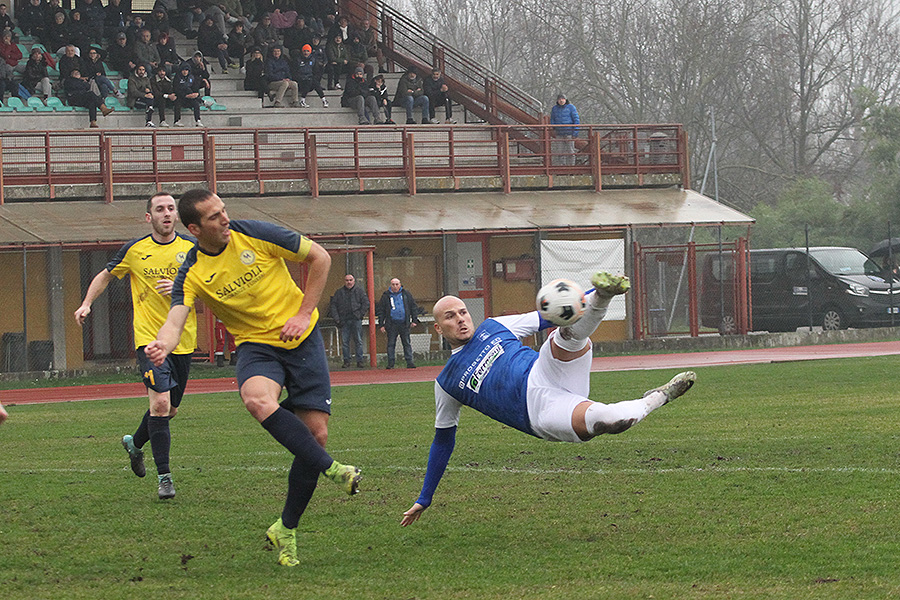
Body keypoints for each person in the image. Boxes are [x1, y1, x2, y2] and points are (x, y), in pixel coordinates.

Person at [144, 188, 362, 567]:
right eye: (214, 217)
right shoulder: (192, 271)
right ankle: (332, 468)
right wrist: (162, 345)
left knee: (316, 436)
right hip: (257, 347)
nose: (225, 218)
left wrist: (302, 312)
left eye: (224, 210)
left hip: (303, 338)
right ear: (195, 228)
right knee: (257, 399)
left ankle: (285, 529)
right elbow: (175, 318)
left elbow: (320, 258)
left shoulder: (256, 233)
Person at [400, 273, 697, 526]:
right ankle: (659, 396)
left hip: (545, 369)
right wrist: (424, 497)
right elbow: (443, 440)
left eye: (463, 312)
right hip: (539, 412)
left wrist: (595, 293)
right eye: (450, 317)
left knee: (565, 334)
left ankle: (605, 297)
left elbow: (550, 315)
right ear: (438, 328)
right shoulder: (447, 382)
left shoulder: (494, 327)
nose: (460, 320)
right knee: (611, 421)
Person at [74, 193, 198, 500]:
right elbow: (104, 276)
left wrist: (185, 287)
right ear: (149, 217)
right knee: (159, 405)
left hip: (183, 342)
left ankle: (134, 443)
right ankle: (165, 478)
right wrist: (87, 303)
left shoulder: (193, 250)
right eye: (160, 209)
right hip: (149, 340)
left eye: (171, 208)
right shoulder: (135, 250)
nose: (167, 213)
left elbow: (212, 288)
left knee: (170, 410)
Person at [377, 277, 421, 369]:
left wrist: (414, 320)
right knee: (391, 344)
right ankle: (391, 363)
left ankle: (409, 362)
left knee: (406, 343)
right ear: (390, 285)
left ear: (400, 285)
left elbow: (413, 307)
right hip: (391, 324)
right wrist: (381, 324)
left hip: (404, 323)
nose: (395, 286)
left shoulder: (406, 294)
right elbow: (381, 311)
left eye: (397, 284)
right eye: (393, 284)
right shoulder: (386, 296)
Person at [328, 273, 369, 368]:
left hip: (356, 319)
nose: (349, 282)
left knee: (358, 340)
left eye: (350, 280)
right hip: (344, 320)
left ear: (354, 281)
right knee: (345, 342)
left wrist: (360, 315)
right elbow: (333, 306)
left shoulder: (359, 291)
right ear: (344, 281)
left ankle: (360, 361)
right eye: (347, 280)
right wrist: (337, 319)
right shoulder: (339, 292)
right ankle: (346, 361)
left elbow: (366, 303)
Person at [549, 92, 580, 167]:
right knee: (560, 152)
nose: (561, 101)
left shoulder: (571, 107)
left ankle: (571, 167)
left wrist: (575, 132)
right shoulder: (555, 109)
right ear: (557, 101)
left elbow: (576, 120)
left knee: (570, 151)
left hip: (569, 132)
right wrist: (554, 128)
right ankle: (562, 167)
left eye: (563, 99)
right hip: (559, 133)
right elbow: (552, 119)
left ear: (566, 100)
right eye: (559, 99)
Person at [293, 43, 326, 107]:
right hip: (301, 82)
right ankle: (302, 100)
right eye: (304, 51)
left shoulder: (313, 60)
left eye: (307, 51)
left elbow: (316, 72)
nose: (306, 53)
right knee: (309, 81)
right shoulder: (297, 60)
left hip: (310, 81)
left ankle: (323, 99)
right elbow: (294, 72)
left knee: (313, 81)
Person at [171, 60, 203, 126]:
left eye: (186, 70)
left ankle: (198, 120)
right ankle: (177, 120)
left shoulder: (192, 78)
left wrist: (196, 94)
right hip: (181, 97)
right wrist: (185, 96)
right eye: (183, 70)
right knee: (177, 103)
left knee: (196, 104)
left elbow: (195, 88)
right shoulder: (177, 78)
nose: (185, 71)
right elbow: (176, 90)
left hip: (190, 98)